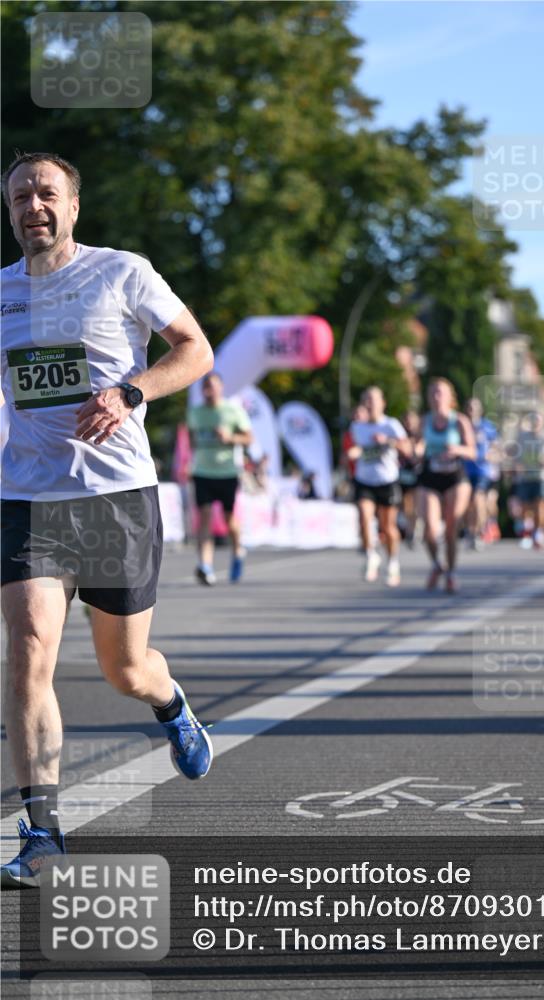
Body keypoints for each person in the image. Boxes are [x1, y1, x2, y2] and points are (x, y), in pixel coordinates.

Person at [0, 152, 214, 889]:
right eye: (21, 195)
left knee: (125, 670)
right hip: (29, 498)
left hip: (117, 498)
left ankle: (171, 701)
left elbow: (195, 348)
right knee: (28, 646)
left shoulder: (121, 271)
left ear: (73, 206)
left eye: (47, 193)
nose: (34, 205)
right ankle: (42, 833)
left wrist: (131, 391)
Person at [187, 372, 253, 584]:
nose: (208, 390)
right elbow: (191, 440)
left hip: (227, 473)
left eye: (212, 386)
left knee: (229, 520)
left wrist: (230, 437)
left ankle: (237, 552)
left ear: (220, 389)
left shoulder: (233, 410)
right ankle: (205, 566)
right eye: (205, 386)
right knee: (204, 518)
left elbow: (249, 438)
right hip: (203, 472)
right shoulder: (195, 412)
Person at [416, 378, 476, 593]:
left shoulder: (459, 421)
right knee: (430, 530)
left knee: (451, 527)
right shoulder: (425, 421)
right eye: (432, 392)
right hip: (431, 476)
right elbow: (417, 444)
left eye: (440, 393)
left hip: (455, 477)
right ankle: (436, 565)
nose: (436, 397)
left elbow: (473, 452)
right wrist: (417, 450)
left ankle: (451, 572)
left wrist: (458, 450)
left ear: (450, 397)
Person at [346, 386, 408, 586]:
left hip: (387, 480)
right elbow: (355, 449)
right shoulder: (358, 427)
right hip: (364, 480)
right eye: (367, 400)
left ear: (382, 403)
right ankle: (371, 555)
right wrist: (353, 453)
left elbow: (408, 448)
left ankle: (392, 561)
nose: (370, 404)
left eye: (374, 400)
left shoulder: (391, 425)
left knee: (388, 526)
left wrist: (389, 441)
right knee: (364, 518)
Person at [514, 411, 544, 549]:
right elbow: (515, 453)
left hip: (541, 476)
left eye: (538, 420)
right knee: (524, 507)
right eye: (533, 420)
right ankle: (527, 534)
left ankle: (540, 532)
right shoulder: (523, 436)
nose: (535, 423)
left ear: (542, 423)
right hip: (525, 476)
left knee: (540, 506)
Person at [464, 397, 499, 550]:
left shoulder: (487, 426)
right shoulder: (462, 426)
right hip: (465, 469)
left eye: (475, 407)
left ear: (480, 410)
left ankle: (479, 532)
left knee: (478, 499)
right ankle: (471, 532)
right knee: (468, 505)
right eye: (470, 407)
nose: (472, 411)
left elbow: (497, 446)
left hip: (482, 470)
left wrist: (490, 454)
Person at [398, 409, 422, 547]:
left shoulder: (420, 435)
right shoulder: (400, 435)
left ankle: (415, 530)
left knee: (416, 504)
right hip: (404, 473)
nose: (409, 423)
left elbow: (418, 451)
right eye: (406, 420)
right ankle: (410, 530)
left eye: (411, 420)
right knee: (406, 504)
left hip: (417, 473)